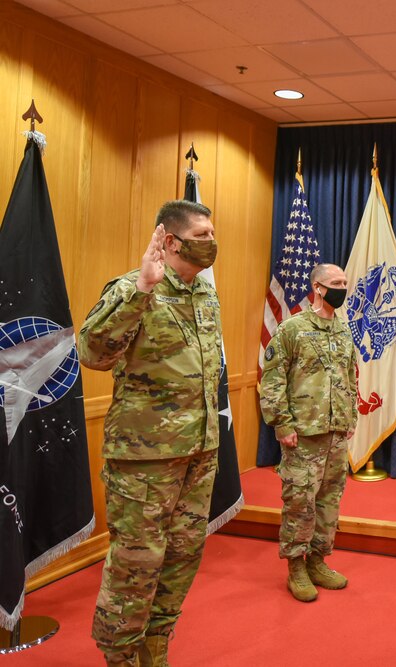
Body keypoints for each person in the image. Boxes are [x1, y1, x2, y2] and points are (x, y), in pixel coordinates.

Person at [78, 200, 222, 666]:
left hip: (199, 451)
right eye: (201, 235)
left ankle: (155, 647)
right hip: (144, 460)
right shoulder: (133, 287)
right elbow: (93, 353)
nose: (211, 242)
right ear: (171, 240)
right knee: (136, 563)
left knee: (182, 555)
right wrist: (142, 289)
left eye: (212, 233)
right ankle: (120, 655)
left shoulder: (205, 294)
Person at [260, 263, 357, 602]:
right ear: (317, 287)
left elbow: (349, 376)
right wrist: (282, 424)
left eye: (345, 282)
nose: (342, 287)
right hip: (303, 434)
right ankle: (296, 567)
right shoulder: (293, 329)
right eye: (336, 282)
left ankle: (317, 560)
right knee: (300, 501)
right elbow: (272, 380)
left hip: (336, 433)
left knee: (329, 501)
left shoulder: (343, 329)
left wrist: (350, 418)